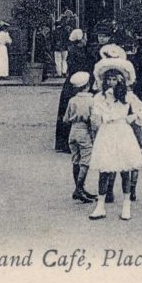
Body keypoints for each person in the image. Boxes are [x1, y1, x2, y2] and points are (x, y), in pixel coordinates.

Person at [88, 59, 142, 221]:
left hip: (122, 132)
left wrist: (131, 117)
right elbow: (95, 115)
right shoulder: (100, 97)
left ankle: (126, 206)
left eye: (115, 79)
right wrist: (98, 120)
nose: (111, 82)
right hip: (107, 132)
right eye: (109, 79)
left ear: (121, 80)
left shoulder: (127, 96)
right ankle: (100, 206)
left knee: (125, 170)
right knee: (104, 170)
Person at [55, 29, 94, 153]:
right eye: (84, 38)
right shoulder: (77, 52)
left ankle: (64, 143)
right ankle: (68, 143)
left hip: (72, 83)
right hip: (77, 83)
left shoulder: (75, 50)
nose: (86, 40)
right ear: (80, 39)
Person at [63, 71, 95, 204]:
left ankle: (80, 188)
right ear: (87, 85)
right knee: (86, 161)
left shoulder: (72, 100)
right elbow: (93, 120)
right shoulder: (91, 100)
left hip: (73, 130)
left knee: (75, 159)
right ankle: (79, 188)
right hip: (84, 130)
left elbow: (65, 119)